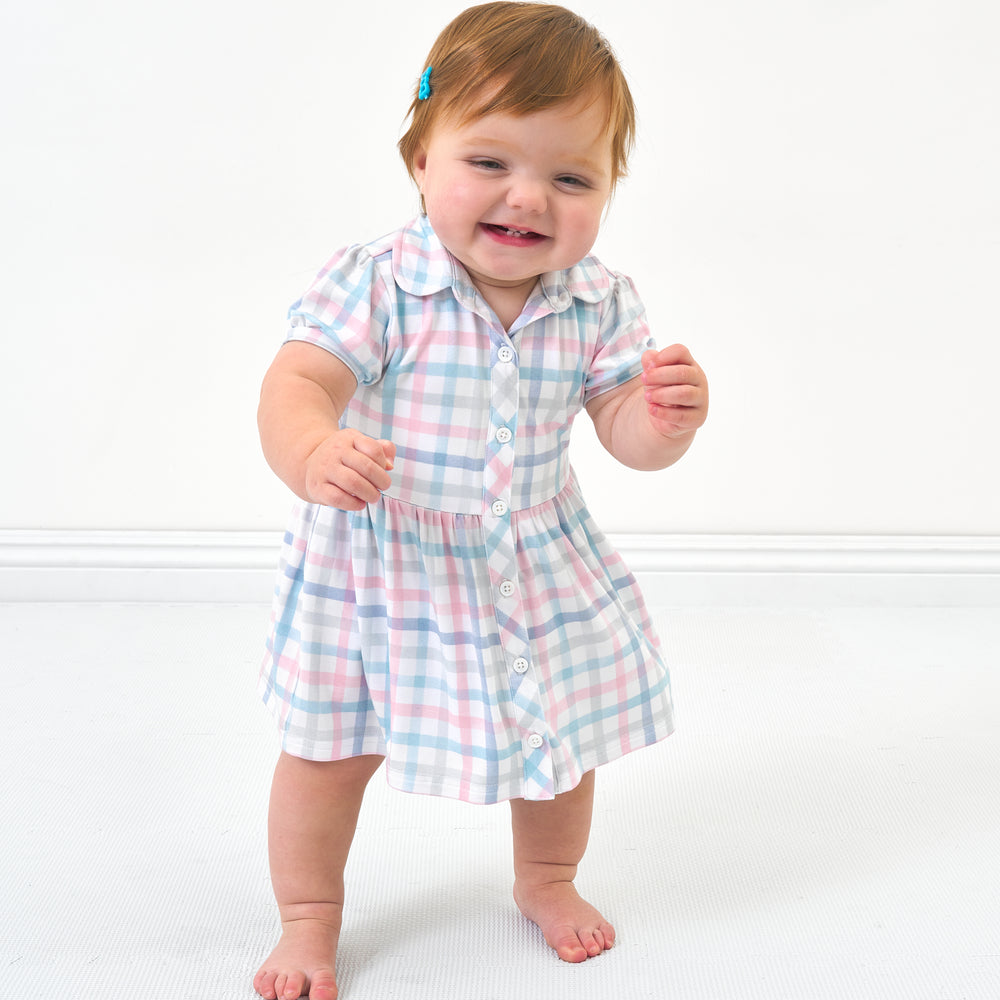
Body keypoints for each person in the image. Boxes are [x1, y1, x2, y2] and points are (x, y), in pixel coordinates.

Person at [253, 3, 708, 998]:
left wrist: (660, 419)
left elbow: (622, 429)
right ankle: (309, 915)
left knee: (563, 735)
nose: (527, 198)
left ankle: (547, 876)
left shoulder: (598, 299)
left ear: (608, 190)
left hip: (532, 559)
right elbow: (297, 384)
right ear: (421, 160)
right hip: (379, 563)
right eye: (490, 162)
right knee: (330, 751)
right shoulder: (377, 281)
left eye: (570, 176)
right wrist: (313, 450)